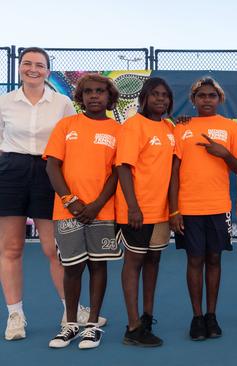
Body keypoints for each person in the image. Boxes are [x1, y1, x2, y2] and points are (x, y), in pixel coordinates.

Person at [0, 47, 101, 341]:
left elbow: (73, 141)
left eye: (40, 65)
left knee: (54, 249)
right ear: (20, 68)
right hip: (12, 172)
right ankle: (15, 316)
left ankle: (71, 312)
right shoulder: (4, 102)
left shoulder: (63, 103)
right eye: (27, 64)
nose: (33, 69)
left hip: (48, 173)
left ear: (47, 70)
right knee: (11, 248)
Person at [43, 74, 122, 349]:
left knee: (98, 265)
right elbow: (52, 166)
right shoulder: (66, 125)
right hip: (68, 212)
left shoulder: (117, 130)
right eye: (88, 91)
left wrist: (97, 204)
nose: (94, 96)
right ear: (80, 97)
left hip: (102, 211)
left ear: (109, 97)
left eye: (100, 91)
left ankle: (92, 326)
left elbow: (116, 173)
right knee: (72, 267)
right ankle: (71, 324)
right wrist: (70, 200)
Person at [169, 77, 237, 341]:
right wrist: (174, 210)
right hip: (188, 208)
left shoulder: (231, 128)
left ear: (220, 99)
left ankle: (212, 316)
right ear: (193, 100)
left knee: (214, 259)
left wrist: (223, 153)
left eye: (212, 95)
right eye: (201, 96)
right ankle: (197, 317)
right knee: (194, 260)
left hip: (218, 206)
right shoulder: (181, 127)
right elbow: (174, 172)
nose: (207, 100)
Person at [116, 77, 175, 347]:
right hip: (137, 211)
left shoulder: (169, 127)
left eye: (165, 95)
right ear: (144, 98)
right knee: (134, 263)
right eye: (155, 95)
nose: (160, 99)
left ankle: (147, 318)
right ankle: (132, 326)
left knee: (153, 262)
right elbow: (123, 167)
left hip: (160, 212)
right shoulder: (133, 125)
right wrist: (133, 206)